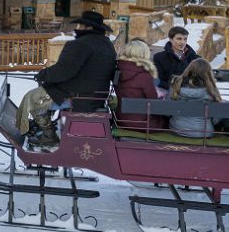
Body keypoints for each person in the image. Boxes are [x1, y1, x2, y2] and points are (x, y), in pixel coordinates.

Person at [16, 10, 117, 148]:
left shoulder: (80, 44)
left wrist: (44, 74)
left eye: (81, 25)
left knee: (32, 98)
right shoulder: (107, 45)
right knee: (44, 94)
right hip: (95, 95)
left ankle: (48, 135)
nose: (78, 28)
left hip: (78, 97)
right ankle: (43, 126)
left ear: (88, 27)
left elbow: (63, 71)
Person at [113, 39, 168, 132]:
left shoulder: (118, 70)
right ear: (143, 54)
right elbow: (154, 102)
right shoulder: (143, 75)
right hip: (142, 123)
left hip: (120, 120)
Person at [168, 58, 223, 138]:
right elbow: (216, 119)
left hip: (178, 129)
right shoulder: (212, 91)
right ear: (208, 72)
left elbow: (167, 110)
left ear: (189, 69)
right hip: (204, 132)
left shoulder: (176, 86)